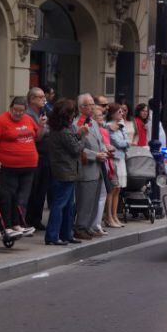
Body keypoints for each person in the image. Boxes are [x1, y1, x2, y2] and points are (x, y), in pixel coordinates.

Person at [0, 97, 40, 236]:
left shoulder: (28, 119)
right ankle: (7, 225)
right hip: (8, 167)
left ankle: (18, 224)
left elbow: (37, 136)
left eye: (21, 111)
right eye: (15, 110)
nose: (17, 113)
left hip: (29, 166)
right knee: (9, 196)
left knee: (22, 198)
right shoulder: (0, 121)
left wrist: (41, 126)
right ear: (10, 108)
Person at [46, 99, 87, 245]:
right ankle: (53, 235)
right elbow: (75, 149)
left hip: (67, 170)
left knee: (69, 205)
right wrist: (82, 135)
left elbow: (70, 142)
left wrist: (78, 135)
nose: (73, 117)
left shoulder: (61, 129)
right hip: (64, 171)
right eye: (72, 114)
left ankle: (66, 234)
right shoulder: (63, 131)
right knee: (60, 204)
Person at [74, 94, 108, 240]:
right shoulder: (77, 124)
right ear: (82, 107)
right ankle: (80, 227)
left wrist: (104, 149)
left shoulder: (93, 123)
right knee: (85, 201)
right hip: (86, 168)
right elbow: (77, 148)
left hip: (98, 168)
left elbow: (99, 140)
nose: (93, 107)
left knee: (94, 200)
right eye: (90, 104)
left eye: (93, 104)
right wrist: (96, 155)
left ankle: (89, 226)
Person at [25, 87, 51, 231]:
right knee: (34, 189)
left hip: (45, 156)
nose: (44, 100)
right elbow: (37, 137)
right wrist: (43, 127)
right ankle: (29, 219)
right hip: (35, 155)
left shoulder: (43, 113)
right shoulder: (28, 115)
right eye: (40, 97)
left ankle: (37, 219)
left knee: (42, 190)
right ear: (32, 99)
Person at [92, 106, 115, 236]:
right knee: (98, 196)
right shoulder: (94, 128)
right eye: (100, 115)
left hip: (105, 163)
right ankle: (94, 224)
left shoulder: (102, 130)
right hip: (98, 163)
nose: (102, 118)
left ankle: (97, 223)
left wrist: (108, 148)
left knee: (103, 194)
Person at [106, 103, 129, 228]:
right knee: (113, 188)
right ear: (113, 114)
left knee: (118, 188)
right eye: (119, 112)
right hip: (114, 158)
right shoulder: (109, 126)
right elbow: (118, 142)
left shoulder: (121, 125)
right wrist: (125, 143)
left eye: (122, 112)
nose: (122, 114)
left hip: (121, 158)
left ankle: (115, 215)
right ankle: (109, 217)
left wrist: (125, 142)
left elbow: (127, 141)